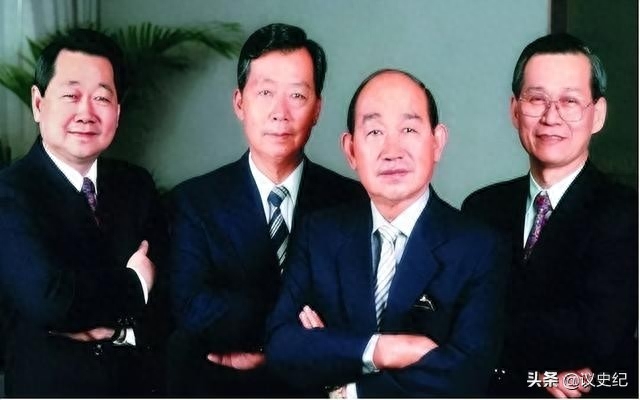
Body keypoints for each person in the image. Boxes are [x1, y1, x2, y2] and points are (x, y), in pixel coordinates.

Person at [265, 69, 507, 397]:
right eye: (375, 131)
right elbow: (281, 346)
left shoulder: (479, 246)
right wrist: (379, 349)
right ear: (351, 150)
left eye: (409, 129)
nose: (392, 150)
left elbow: (467, 373)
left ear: (437, 142)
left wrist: (347, 385)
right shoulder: (319, 233)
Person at [166, 23, 365, 397]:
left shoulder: (353, 202)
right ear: (239, 103)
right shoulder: (194, 202)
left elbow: (362, 314)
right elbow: (193, 309)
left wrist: (266, 343)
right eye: (266, 93)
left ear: (318, 108)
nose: (280, 113)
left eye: (297, 95)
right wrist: (300, 334)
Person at [462, 33, 638, 398]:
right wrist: (533, 374)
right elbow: (444, 317)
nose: (551, 117)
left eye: (569, 101)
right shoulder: (482, 208)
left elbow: (597, 334)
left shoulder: (624, 211)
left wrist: (479, 329)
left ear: (598, 114)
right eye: (536, 99)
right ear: (514, 110)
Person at [0, 28, 168, 397]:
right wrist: (136, 284)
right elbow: (51, 300)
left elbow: (169, 298)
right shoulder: (10, 192)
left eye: (101, 98)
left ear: (118, 111)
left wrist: (112, 326)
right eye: (71, 96)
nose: (86, 112)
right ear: (39, 103)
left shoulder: (136, 185)